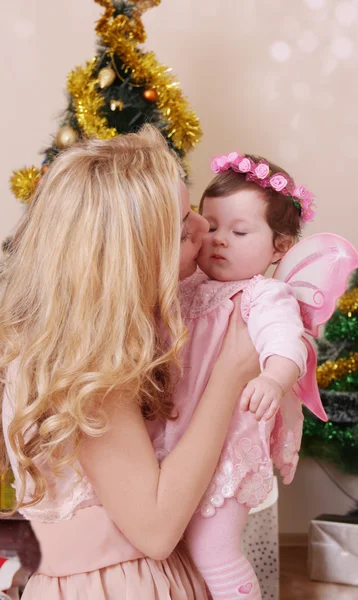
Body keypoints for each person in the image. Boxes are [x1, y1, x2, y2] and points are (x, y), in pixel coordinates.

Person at [0, 126, 259, 599]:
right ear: (134, 264)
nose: (204, 229)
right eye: (184, 230)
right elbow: (157, 529)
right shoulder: (90, 367)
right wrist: (230, 374)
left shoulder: (58, 337)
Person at [156, 152, 351, 599]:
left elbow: (288, 343)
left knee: (213, 550)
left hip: (228, 449)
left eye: (240, 231)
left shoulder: (264, 296)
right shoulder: (185, 286)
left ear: (279, 247)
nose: (220, 240)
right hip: (176, 441)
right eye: (211, 225)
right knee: (172, 546)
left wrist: (272, 379)